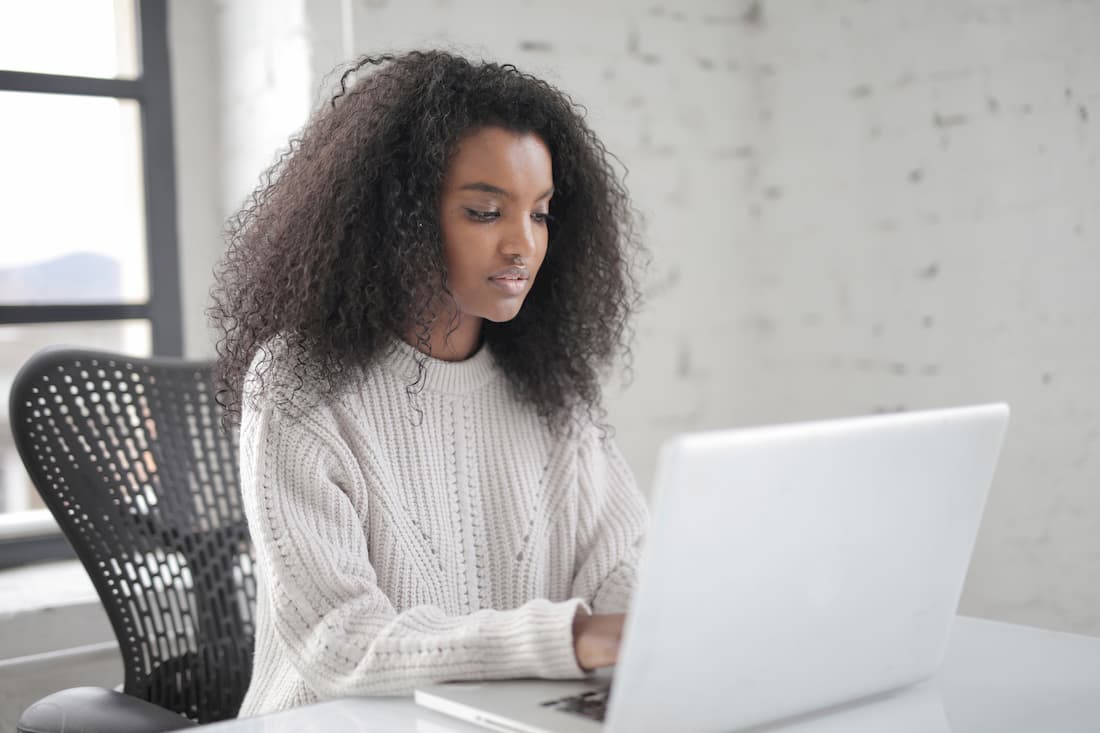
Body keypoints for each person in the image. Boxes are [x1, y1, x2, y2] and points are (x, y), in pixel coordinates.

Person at [210, 49, 648, 716]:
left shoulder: (552, 386)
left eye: (540, 213)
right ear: (397, 220)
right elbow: (338, 641)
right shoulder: (298, 383)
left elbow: (621, 566)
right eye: (484, 212)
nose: (522, 245)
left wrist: (661, 621)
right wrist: (572, 637)